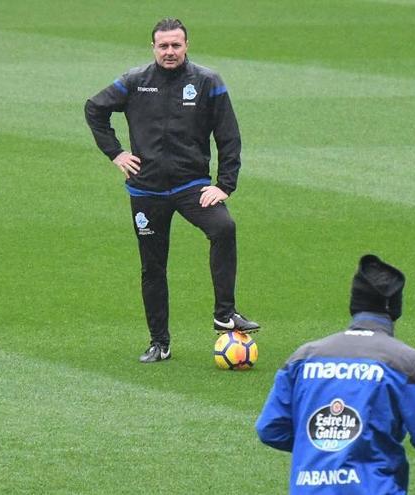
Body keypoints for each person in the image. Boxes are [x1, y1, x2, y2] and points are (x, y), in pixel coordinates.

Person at [84, 17, 259, 363]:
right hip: (146, 191)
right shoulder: (135, 82)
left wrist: (224, 185)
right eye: (163, 46)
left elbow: (229, 137)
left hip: (191, 186)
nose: (169, 52)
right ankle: (159, 342)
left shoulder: (208, 82)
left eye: (175, 45)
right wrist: (116, 153)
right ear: (153, 47)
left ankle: (224, 313)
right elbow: (95, 108)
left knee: (223, 227)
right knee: (153, 267)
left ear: (186, 46)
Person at [256, 255, 415, 494]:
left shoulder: (303, 357)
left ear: (354, 304)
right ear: (394, 308)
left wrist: (325, 448)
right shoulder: (405, 362)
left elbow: (271, 428)